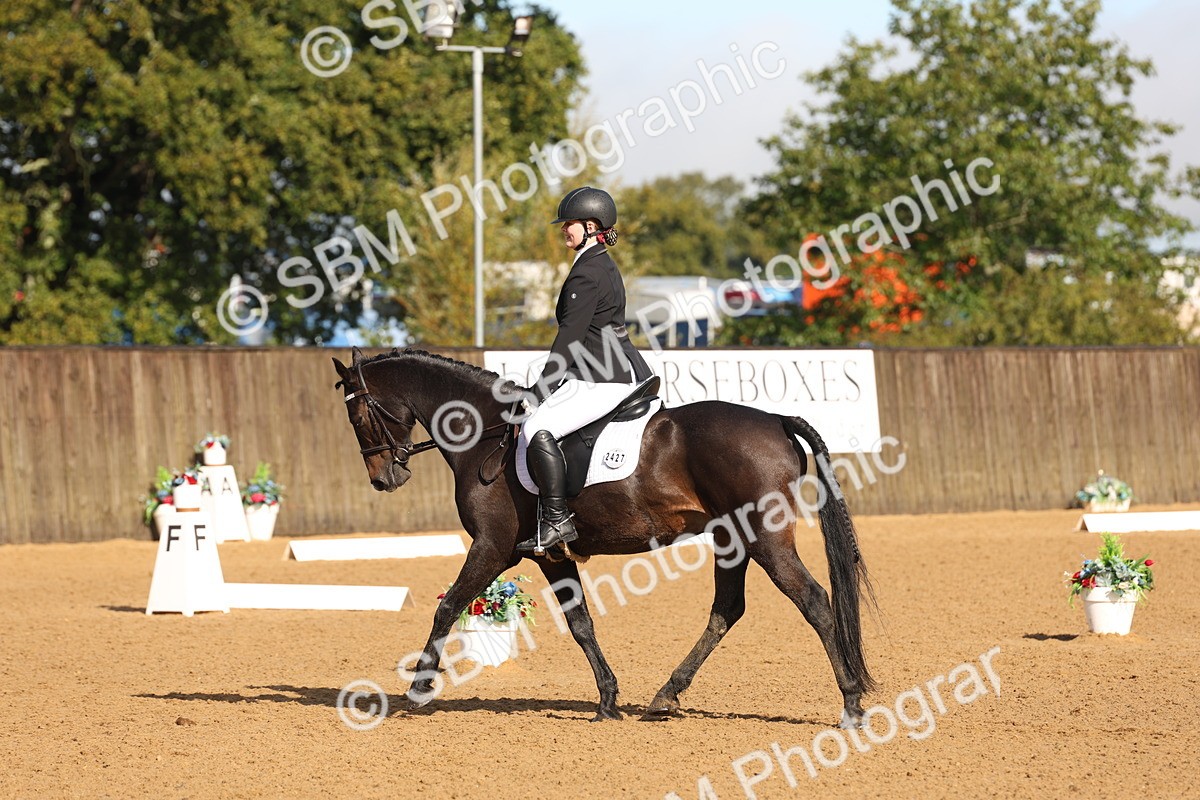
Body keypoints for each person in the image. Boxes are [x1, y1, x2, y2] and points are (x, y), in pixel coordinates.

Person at [516, 186, 653, 553]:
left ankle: (556, 520)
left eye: (570, 224)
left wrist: (538, 394)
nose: (564, 229)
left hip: (601, 376)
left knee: (537, 426)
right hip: (617, 369)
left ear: (592, 226)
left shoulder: (585, 274)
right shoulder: (602, 264)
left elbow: (570, 340)